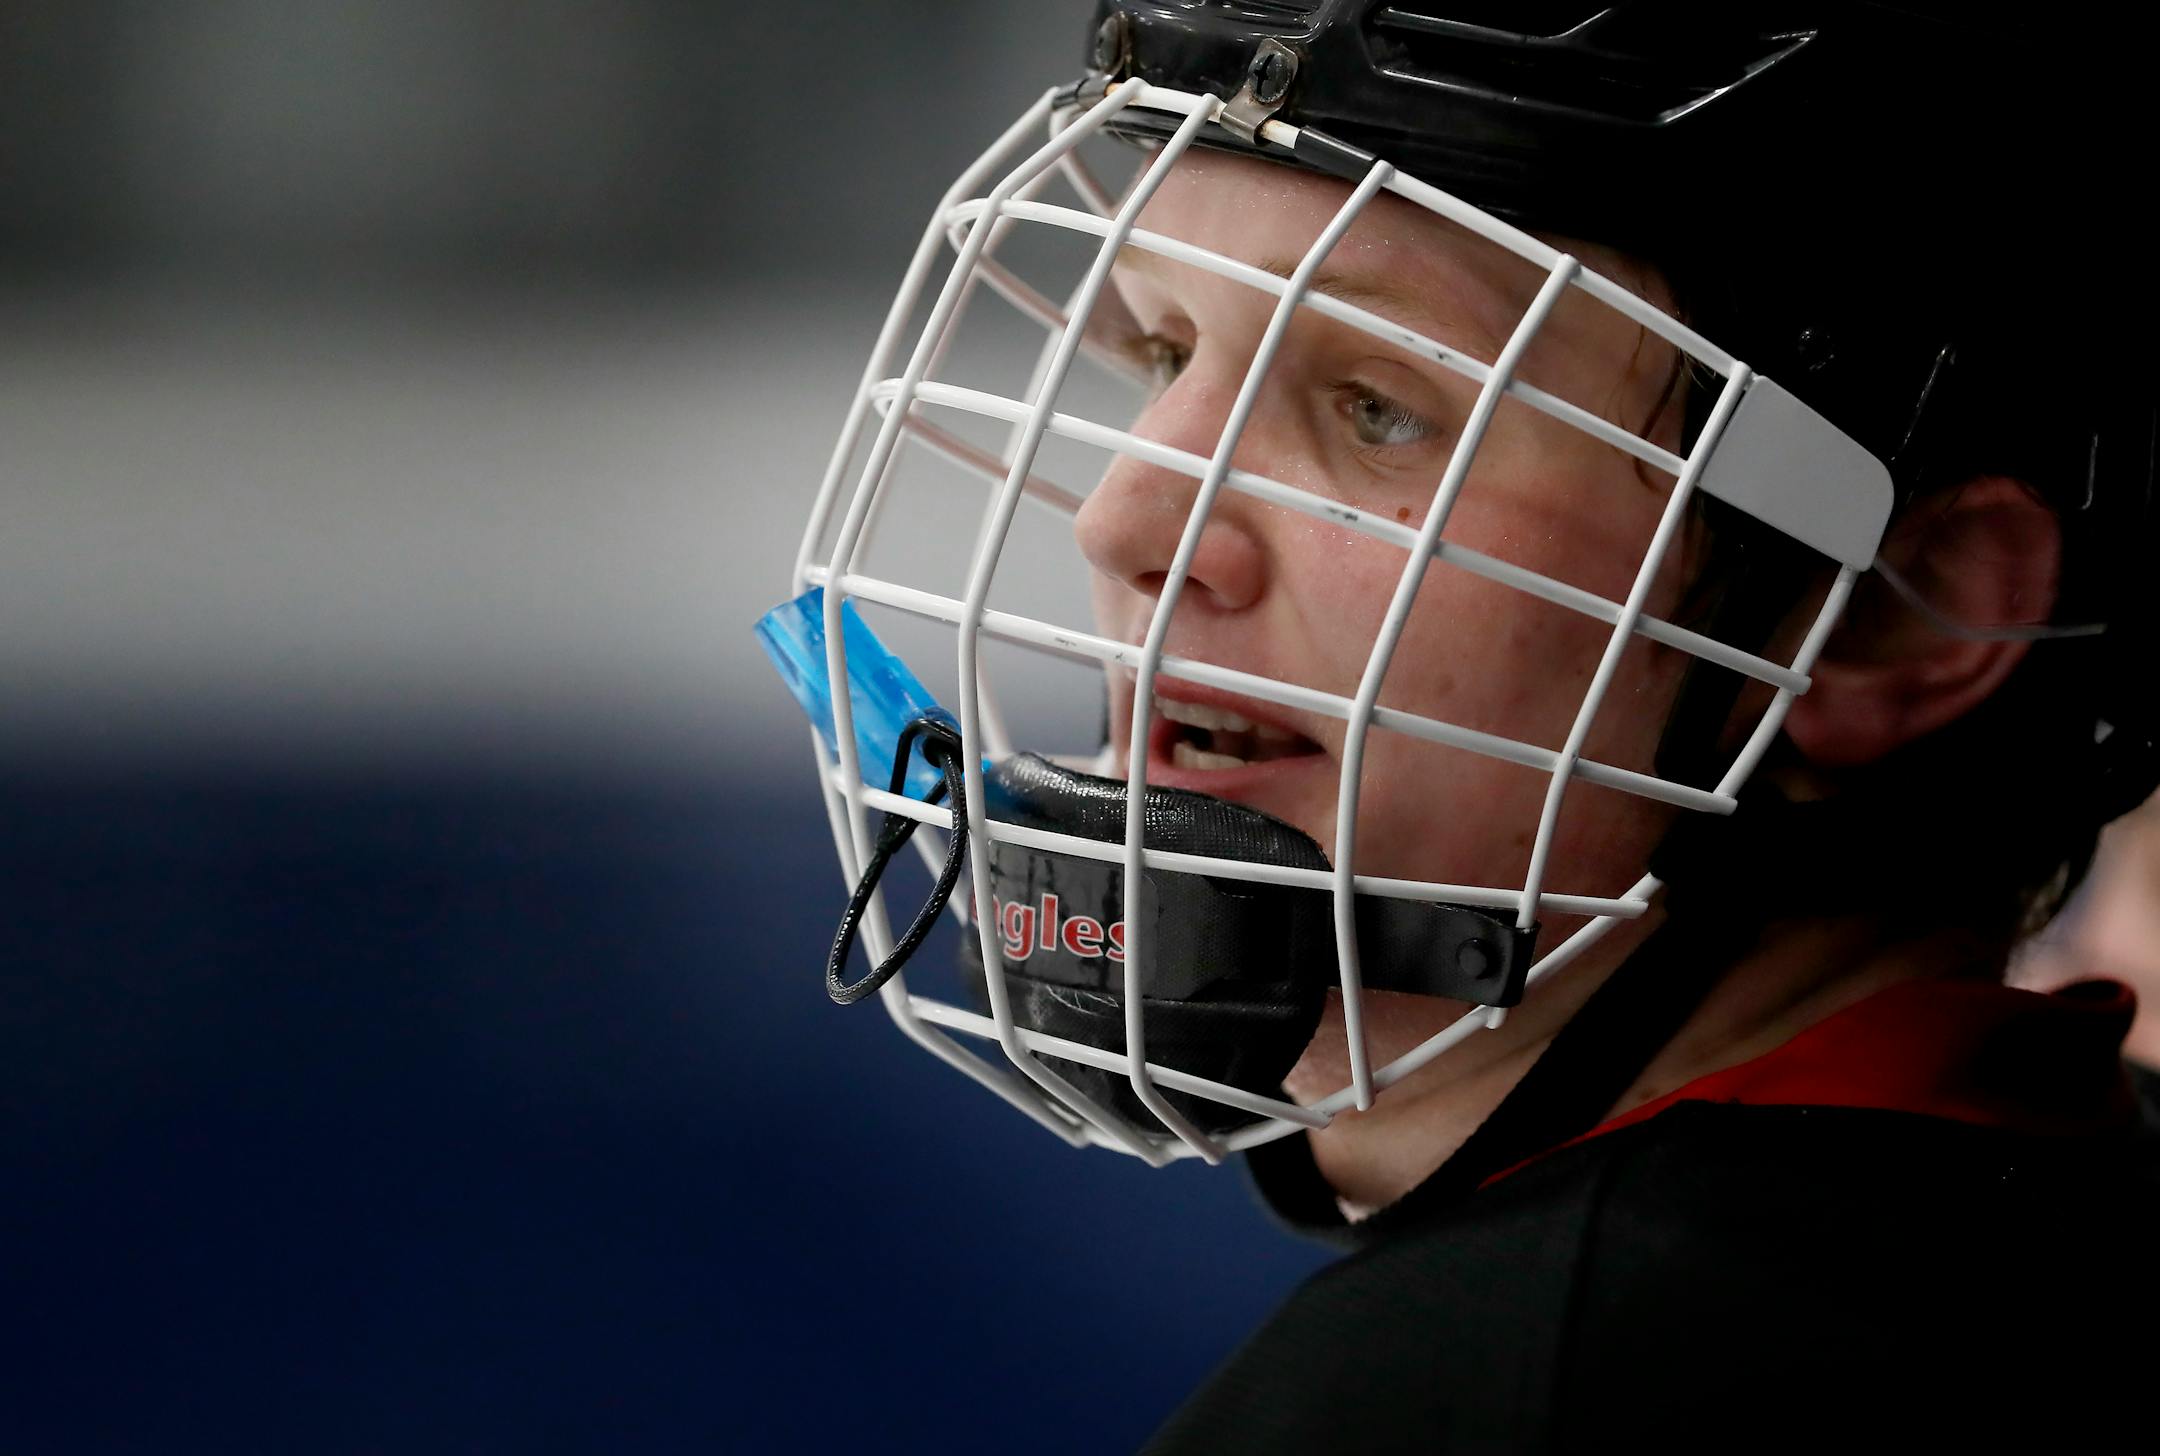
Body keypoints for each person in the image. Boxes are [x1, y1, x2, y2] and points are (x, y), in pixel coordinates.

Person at [768, 3, 2160, 1448]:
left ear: (1890, 617)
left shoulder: (1483, 1395)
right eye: (1165, 353)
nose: (1129, 522)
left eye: (1381, 408)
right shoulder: (2070, 1189)